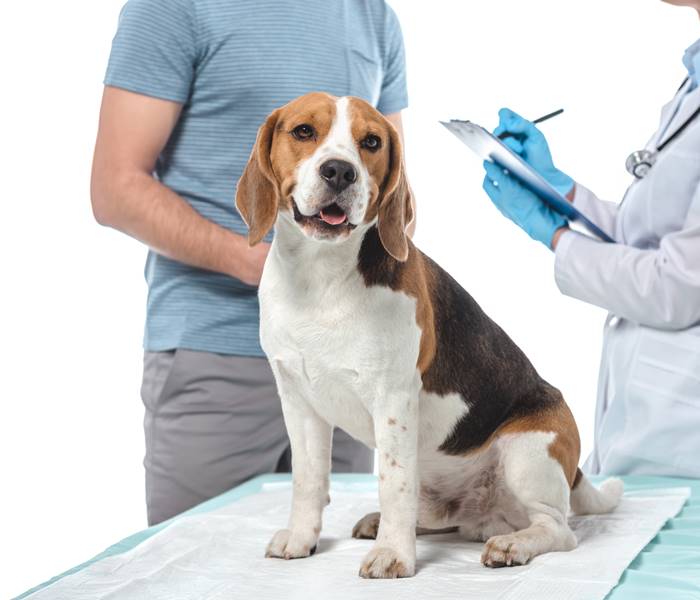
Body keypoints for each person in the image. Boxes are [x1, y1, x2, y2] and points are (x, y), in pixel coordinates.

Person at [91, 0, 411, 525]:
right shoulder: (171, 8)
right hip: (219, 356)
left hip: (351, 360)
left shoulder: (373, 14)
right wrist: (258, 263)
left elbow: (383, 190)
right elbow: (114, 186)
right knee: (199, 572)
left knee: (338, 577)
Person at [481, 0, 700, 478]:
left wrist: (558, 236)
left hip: (685, 437)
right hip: (646, 422)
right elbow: (653, 238)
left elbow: (681, 286)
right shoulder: (693, 80)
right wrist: (561, 191)